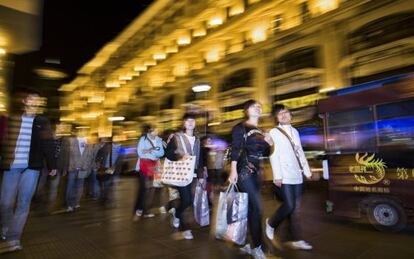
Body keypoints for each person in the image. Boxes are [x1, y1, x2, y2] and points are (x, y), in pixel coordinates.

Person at [0, 89, 57, 253]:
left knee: (23, 204)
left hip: (31, 168)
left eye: (37, 101)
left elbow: (49, 144)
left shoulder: (42, 122)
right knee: (5, 202)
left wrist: (52, 166)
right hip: (11, 166)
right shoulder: (13, 119)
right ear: (25, 102)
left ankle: (14, 238)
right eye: (31, 99)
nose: (34, 103)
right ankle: (5, 227)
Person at [228, 100, 273, 259]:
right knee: (258, 208)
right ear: (247, 110)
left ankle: (249, 243)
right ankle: (257, 246)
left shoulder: (260, 130)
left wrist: (269, 143)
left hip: (256, 172)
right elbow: (236, 148)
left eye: (260, 106)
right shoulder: (240, 127)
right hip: (244, 171)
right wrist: (233, 169)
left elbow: (266, 152)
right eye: (255, 106)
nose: (259, 108)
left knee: (251, 209)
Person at [265, 104, 313, 251]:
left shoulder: (295, 132)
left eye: (286, 112)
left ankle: (296, 239)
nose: (284, 115)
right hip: (284, 175)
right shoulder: (274, 132)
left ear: (291, 115)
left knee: (295, 209)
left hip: (297, 174)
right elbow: (274, 154)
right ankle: (271, 223)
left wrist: (307, 171)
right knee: (290, 205)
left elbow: (299, 152)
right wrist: (277, 176)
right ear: (276, 118)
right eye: (280, 114)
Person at [165, 113, 205, 240]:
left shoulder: (198, 139)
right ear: (184, 123)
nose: (190, 123)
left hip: (192, 174)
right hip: (181, 173)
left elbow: (200, 159)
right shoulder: (177, 137)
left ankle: (176, 213)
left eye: (193, 120)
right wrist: (180, 157)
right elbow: (168, 154)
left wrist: (200, 175)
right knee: (186, 199)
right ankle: (185, 228)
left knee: (189, 200)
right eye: (187, 121)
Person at [63, 128, 99, 212]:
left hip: (83, 169)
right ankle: (69, 204)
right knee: (70, 186)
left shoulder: (89, 142)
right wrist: (66, 167)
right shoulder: (71, 141)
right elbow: (67, 155)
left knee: (79, 186)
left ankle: (76, 202)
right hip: (72, 168)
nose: (83, 132)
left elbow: (90, 156)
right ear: (78, 132)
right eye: (81, 131)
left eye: (85, 131)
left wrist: (86, 166)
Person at [133, 124, 164, 219]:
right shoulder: (143, 139)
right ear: (150, 131)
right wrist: (152, 151)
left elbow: (161, 153)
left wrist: (149, 151)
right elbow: (140, 153)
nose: (156, 132)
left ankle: (143, 210)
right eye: (155, 131)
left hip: (155, 167)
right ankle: (140, 210)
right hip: (144, 166)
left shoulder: (159, 140)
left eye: (157, 131)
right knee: (144, 188)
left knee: (150, 189)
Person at [95, 137, 120, 207]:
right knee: (106, 184)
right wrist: (98, 164)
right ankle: (105, 199)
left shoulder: (120, 149)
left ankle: (107, 199)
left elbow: (120, 160)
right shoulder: (106, 147)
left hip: (113, 169)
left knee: (109, 185)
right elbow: (98, 157)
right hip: (106, 168)